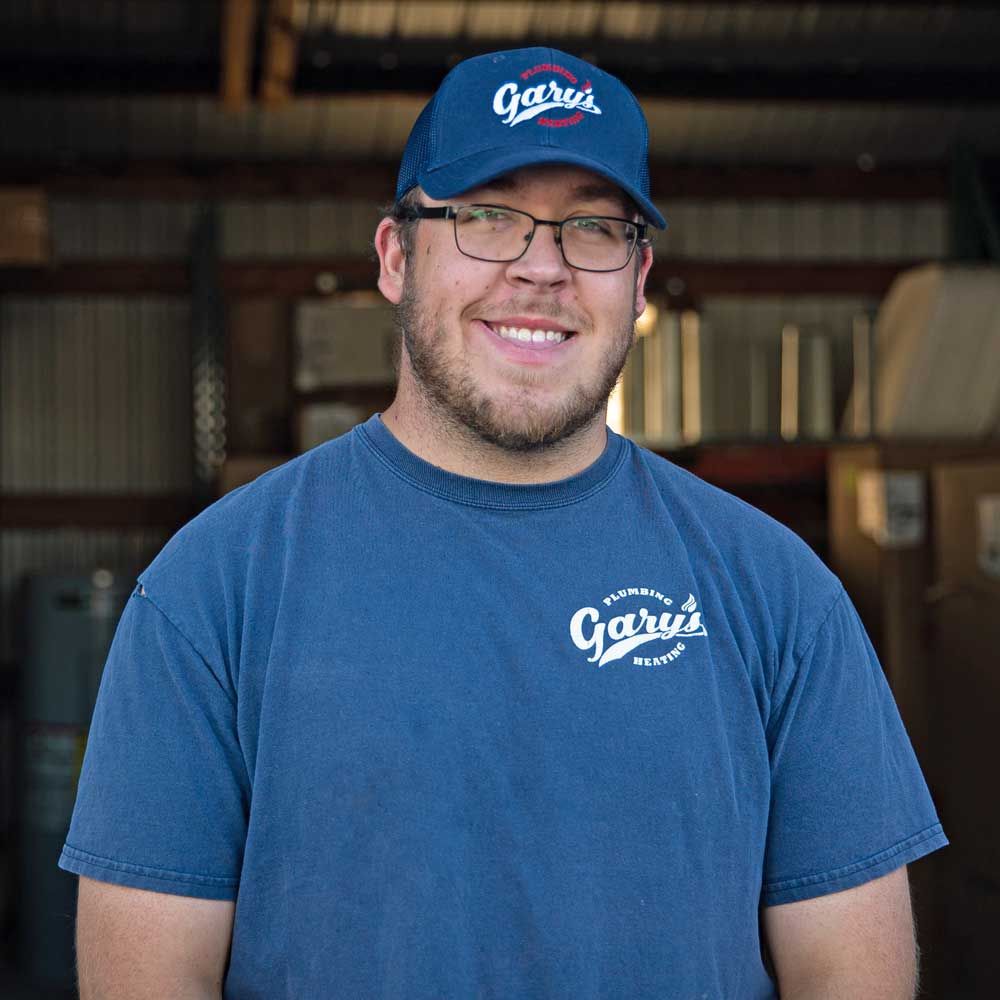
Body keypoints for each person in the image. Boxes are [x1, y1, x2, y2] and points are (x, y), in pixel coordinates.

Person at [61, 47, 946, 999]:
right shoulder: (214, 589)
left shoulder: (777, 591)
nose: (542, 268)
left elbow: (851, 974)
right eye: (487, 215)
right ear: (396, 257)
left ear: (639, 277)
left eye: (594, 228)